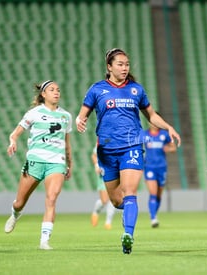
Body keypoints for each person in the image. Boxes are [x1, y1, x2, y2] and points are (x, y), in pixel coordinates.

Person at [75, 48, 181, 254]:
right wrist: (80, 121)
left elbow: (151, 115)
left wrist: (168, 127)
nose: (125, 68)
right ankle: (129, 212)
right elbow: (82, 115)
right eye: (120, 64)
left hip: (132, 146)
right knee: (116, 201)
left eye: (127, 64)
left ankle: (128, 235)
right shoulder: (97, 90)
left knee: (130, 191)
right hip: (106, 149)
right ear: (109, 67)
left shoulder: (136, 90)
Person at [4, 80, 72, 250]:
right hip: (35, 160)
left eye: (58, 89)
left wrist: (69, 163)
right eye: (52, 90)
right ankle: (15, 214)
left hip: (56, 162)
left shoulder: (66, 116)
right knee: (20, 202)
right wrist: (13, 142)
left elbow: (67, 143)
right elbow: (15, 133)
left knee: (52, 198)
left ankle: (44, 241)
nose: (56, 92)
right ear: (43, 94)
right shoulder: (34, 113)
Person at [143, 115, 177, 228]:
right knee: (153, 193)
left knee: (158, 194)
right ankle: (153, 218)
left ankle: (154, 213)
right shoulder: (145, 135)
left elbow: (173, 147)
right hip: (149, 167)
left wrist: (168, 148)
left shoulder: (164, 135)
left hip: (161, 167)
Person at [90, 144, 116, 230]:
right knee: (104, 200)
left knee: (113, 199)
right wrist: (97, 166)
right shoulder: (103, 141)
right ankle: (96, 212)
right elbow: (94, 155)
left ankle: (108, 222)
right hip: (103, 172)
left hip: (114, 171)